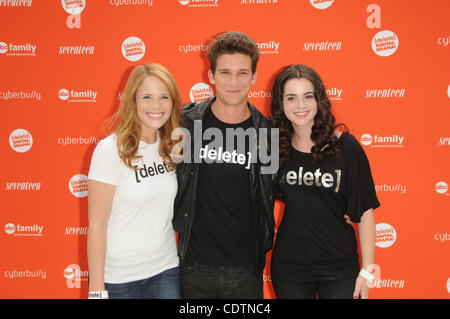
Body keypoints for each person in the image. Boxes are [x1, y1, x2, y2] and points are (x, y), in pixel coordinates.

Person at [172, 31, 276, 299]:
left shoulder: (267, 133)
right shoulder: (186, 123)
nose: (234, 82)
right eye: (225, 72)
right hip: (193, 268)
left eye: (242, 73)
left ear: (253, 77)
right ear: (211, 76)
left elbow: (282, 188)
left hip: (245, 271)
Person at [269, 64, 380, 299]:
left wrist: (368, 272)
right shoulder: (275, 148)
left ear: (319, 99)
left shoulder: (346, 147)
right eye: (291, 98)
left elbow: (365, 211)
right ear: (281, 103)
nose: (300, 106)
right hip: (290, 268)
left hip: (341, 268)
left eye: (308, 96)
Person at [87, 63, 183, 299]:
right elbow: (96, 225)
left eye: (164, 97)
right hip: (119, 278)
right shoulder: (110, 150)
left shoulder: (172, 144)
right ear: (133, 101)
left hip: (165, 269)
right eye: (147, 97)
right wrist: (97, 290)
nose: (156, 106)